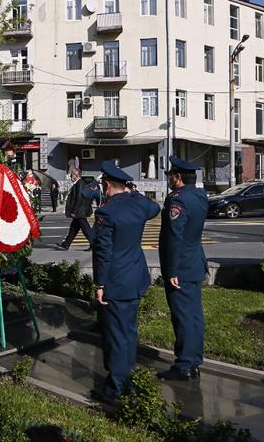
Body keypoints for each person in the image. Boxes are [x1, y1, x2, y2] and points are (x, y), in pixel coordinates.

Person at [91, 160, 160, 401]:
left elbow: (103, 252)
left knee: (116, 335)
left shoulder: (106, 212)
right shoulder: (138, 205)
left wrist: (100, 285)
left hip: (115, 281)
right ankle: (127, 379)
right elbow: (154, 208)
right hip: (135, 277)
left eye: (103, 183)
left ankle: (115, 388)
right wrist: (133, 192)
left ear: (107, 184)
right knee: (129, 332)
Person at [158, 155, 209, 381]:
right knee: (195, 316)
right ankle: (194, 360)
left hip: (181, 268)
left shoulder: (177, 200)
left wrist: (171, 270)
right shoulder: (199, 196)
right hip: (195, 263)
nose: (169, 178)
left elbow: (174, 237)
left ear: (177, 177)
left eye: (171, 174)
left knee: (183, 317)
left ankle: (184, 366)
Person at [56, 168, 93, 250]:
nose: (70, 175)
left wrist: (74, 211)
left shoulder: (80, 183)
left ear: (76, 175)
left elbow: (78, 199)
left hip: (79, 212)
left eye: (72, 174)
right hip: (79, 211)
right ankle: (66, 244)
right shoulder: (78, 183)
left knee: (86, 229)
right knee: (73, 229)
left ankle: (94, 244)